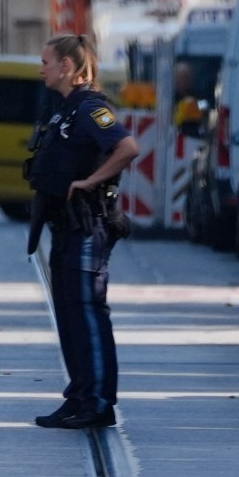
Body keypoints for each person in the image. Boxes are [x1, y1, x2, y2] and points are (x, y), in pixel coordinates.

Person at [28, 35, 139, 429]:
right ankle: (78, 395)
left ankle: (97, 403)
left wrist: (91, 180)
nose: (40, 68)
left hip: (87, 223)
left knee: (88, 313)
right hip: (65, 225)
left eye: (46, 61)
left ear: (67, 67)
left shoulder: (91, 108)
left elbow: (127, 147)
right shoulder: (63, 110)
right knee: (69, 315)